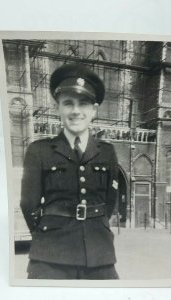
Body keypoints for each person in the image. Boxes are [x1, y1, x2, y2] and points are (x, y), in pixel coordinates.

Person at [20, 63, 119, 280]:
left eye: (83, 104)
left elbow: (109, 203)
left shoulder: (108, 152)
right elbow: (28, 204)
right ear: (58, 108)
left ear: (94, 110)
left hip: (99, 254)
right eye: (68, 103)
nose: (75, 111)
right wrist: (48, 234)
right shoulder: (39, 151)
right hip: (50, 256)